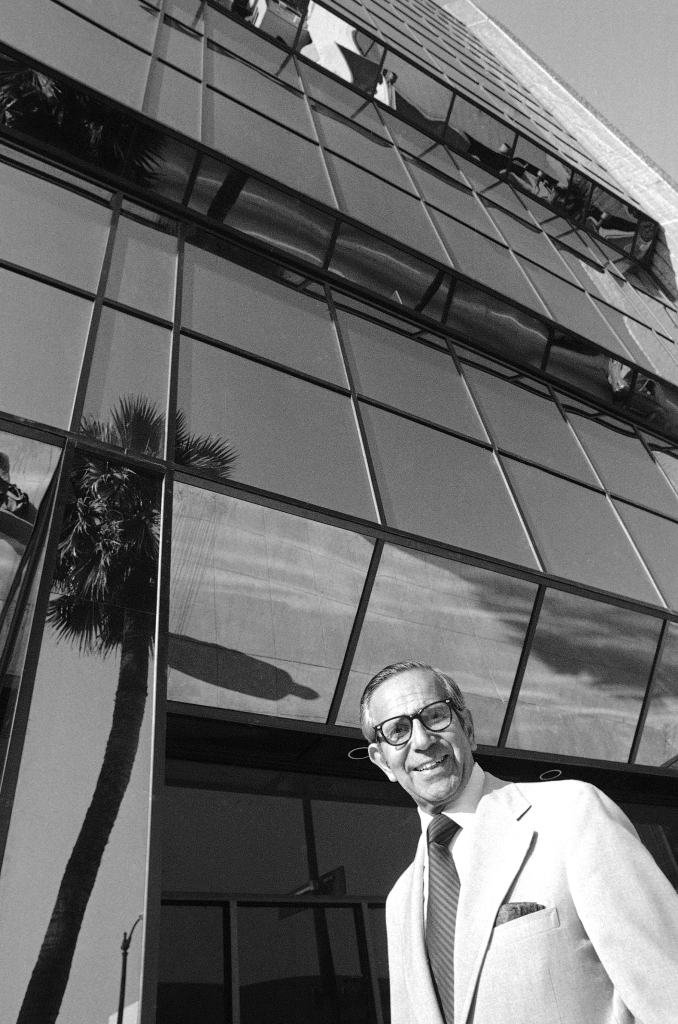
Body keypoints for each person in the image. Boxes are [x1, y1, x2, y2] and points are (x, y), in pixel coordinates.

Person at [361, 661, 678, 1024]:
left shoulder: (572, 812)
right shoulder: (400, 901)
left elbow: (668, 988)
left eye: (435, 716)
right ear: (382, 760)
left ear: (467, 728)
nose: (421, 741)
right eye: (397, 730)